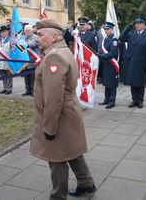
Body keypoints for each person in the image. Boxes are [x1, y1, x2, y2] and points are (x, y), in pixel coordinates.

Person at [30, 19, 96, 200]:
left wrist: (49, 127)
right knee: (72, 150)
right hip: (68, 111)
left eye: (40, 34)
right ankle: (86, 183)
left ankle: (58, 196)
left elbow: (53, 98)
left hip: (59, 116)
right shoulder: (62, 50)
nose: (37, 38)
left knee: (56, 157)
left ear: (54, 36)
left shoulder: (54, 56)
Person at [119, 15, 146, 108]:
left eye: (140, 23)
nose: (137, 25)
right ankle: (134, 100)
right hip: (131, 62)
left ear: (144, 25)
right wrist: (128, 27)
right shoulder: (131, 34)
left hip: (141, 63)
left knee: (140, 83)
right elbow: (121, 38)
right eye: (136, 24)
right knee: (132, 82)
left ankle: (140, 101)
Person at [98, 22, 119, 109]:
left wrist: (101, 56)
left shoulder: (114, 40)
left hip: (111, 65)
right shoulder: (105, 39)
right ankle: (106, 99)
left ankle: (112, 101)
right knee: (106, 82)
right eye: (105, 29)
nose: (106, 30)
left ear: (112, 29)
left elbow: (113, 53)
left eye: (108, 29)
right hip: (105, 64)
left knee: (112, 83)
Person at [0, 25, 13, 94]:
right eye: (2, 32)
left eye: (4, 31)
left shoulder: (11, 40)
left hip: (8, 60)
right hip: (0, 60)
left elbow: (13, 51)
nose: (3, 33)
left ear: (7, 32)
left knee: (9, 76)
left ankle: (9, 88)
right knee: (3, 76)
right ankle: (5, 88)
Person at [22, 24, 40, 96]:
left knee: (33, 78)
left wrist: (22, 44)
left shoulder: (35, 37)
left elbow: (32, 44)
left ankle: (33, 92)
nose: (27, 32)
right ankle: (27, 90)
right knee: (26, 77)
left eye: (28, 31)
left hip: (33, 60)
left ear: (31, 30)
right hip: (25, 60)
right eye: (25, 31)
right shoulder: (23, 38)